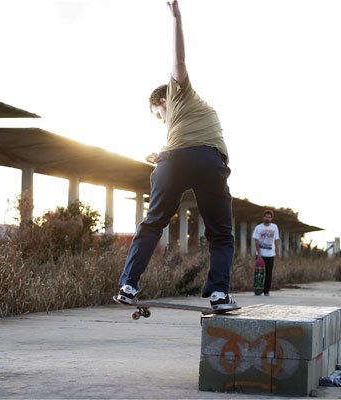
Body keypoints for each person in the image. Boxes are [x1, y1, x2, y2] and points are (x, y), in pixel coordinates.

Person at [115, 0, 238, 311]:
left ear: (163, 99)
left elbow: (179, 59)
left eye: (159, 115)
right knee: (221, 234)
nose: (162, 121)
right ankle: (220, 294)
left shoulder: (178, 90)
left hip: (177, 162)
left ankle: (129, 283)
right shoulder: (199, 112)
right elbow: (184, 143)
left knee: (153, 223)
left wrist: (177, 18)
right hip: (206, 163)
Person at [253, 210, 281, 296]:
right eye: (266, 217)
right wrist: (259, 253)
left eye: (269, 217)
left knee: (269, 272)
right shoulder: (258, 228)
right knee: (259, 273)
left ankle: (266, 291)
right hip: (260, 254)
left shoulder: (274, 227)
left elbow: (276, 240)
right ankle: (258, 289)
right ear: (263, 217)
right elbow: (256, 241)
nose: (267, 218)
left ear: (271, 218)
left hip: (270, 254)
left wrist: (277, 251)